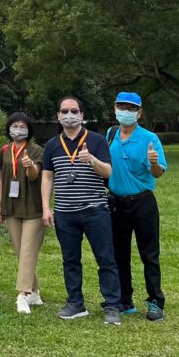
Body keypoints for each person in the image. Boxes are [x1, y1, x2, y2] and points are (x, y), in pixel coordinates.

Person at [41, 96, 122, 325]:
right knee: (70, 260)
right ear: (58, 115)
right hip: (65, 212)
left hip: (94, 210)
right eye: (64, 111)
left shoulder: (96, 141)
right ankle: (75, 303)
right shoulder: (52, 145)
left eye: (73, 111)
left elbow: (108, 172)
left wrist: (92, 160)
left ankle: (112, 305)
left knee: (106, 258)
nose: (69, 115)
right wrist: (47, 207)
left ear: (82, 115)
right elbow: (47, 177)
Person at [106, 91, 167, 321]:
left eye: (131, 109)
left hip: (143, 203)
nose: (126, 112)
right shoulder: (111, 135)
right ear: (114, 108)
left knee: (149, 254)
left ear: (139, 113)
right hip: (117, 204)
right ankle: (125, 299)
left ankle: (155, 302)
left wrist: (153, 163)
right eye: (122, 107)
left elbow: (158, 173)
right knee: (119, 253)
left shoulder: (149, 138)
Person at [0, 112, 45, 315]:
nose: (18, 130)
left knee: (28, 250)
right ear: (9, 129)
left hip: (33, 207)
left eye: (23, 126)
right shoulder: (5, 150)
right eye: (14, 126)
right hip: (10, 206)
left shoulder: (37, 150)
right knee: (21, 251)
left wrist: (30, 166)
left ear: (29, 130)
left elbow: (34, 176)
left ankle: (22, 295)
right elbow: (1, 179)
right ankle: (35, 292)